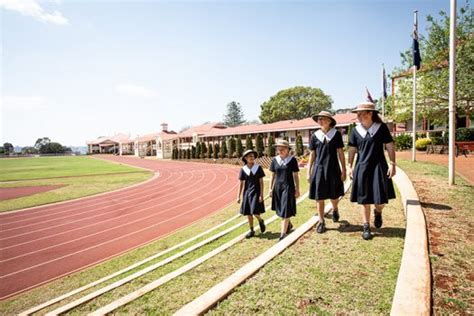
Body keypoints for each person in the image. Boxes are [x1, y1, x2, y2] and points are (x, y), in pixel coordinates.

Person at [347, 102, 397, 240]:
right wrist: (349, 166)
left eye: (361, 113)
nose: (358, 116)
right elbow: (351, 149)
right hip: (362, 168)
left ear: (370, 113)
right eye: (357, 114)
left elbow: (390, 146)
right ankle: (366, 226)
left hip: (379, 167)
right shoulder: (355, 131)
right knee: (364, 199)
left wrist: (392, 163)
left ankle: (378, 211)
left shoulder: (381, 128)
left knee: (380, 201)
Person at [307, 111, 346, 233]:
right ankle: (321, 221)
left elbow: (340, 153)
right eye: (319, 119)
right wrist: (309, 171)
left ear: (329, 121)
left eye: (323, 119)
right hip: (319, 169)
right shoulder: (314, 136)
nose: (320, 121)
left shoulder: (336, 135)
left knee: (334, 195)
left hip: (333, 168)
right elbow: (312, 154)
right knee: (319, 196)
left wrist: (344, 169)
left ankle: (335, 209)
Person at [269, 139, 300, 240]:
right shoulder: (275, 160)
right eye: (279, 148)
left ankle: (283, 234)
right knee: (280, 209)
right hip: (278, 188)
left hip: (288, 187)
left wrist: (297, 189)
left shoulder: (292, 160)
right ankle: (289, 224)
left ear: (288, 149)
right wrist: (270, 188)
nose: (280, 150)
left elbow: (295, 175)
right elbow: (273, 175)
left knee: (285, 208)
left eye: (283, 148)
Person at [237, 149, 266, 238]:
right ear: (245, 158)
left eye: (253, 156)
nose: (251, 158)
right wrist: (238, 196)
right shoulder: (243, 169)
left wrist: (261, 195)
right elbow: (241, 183)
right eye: (249, 156)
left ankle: (260, 220)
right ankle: (251, 230)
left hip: (256, 192)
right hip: (247, 193)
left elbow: (261, 182)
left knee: (255, 211)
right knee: (248, 213)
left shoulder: (258, 168)